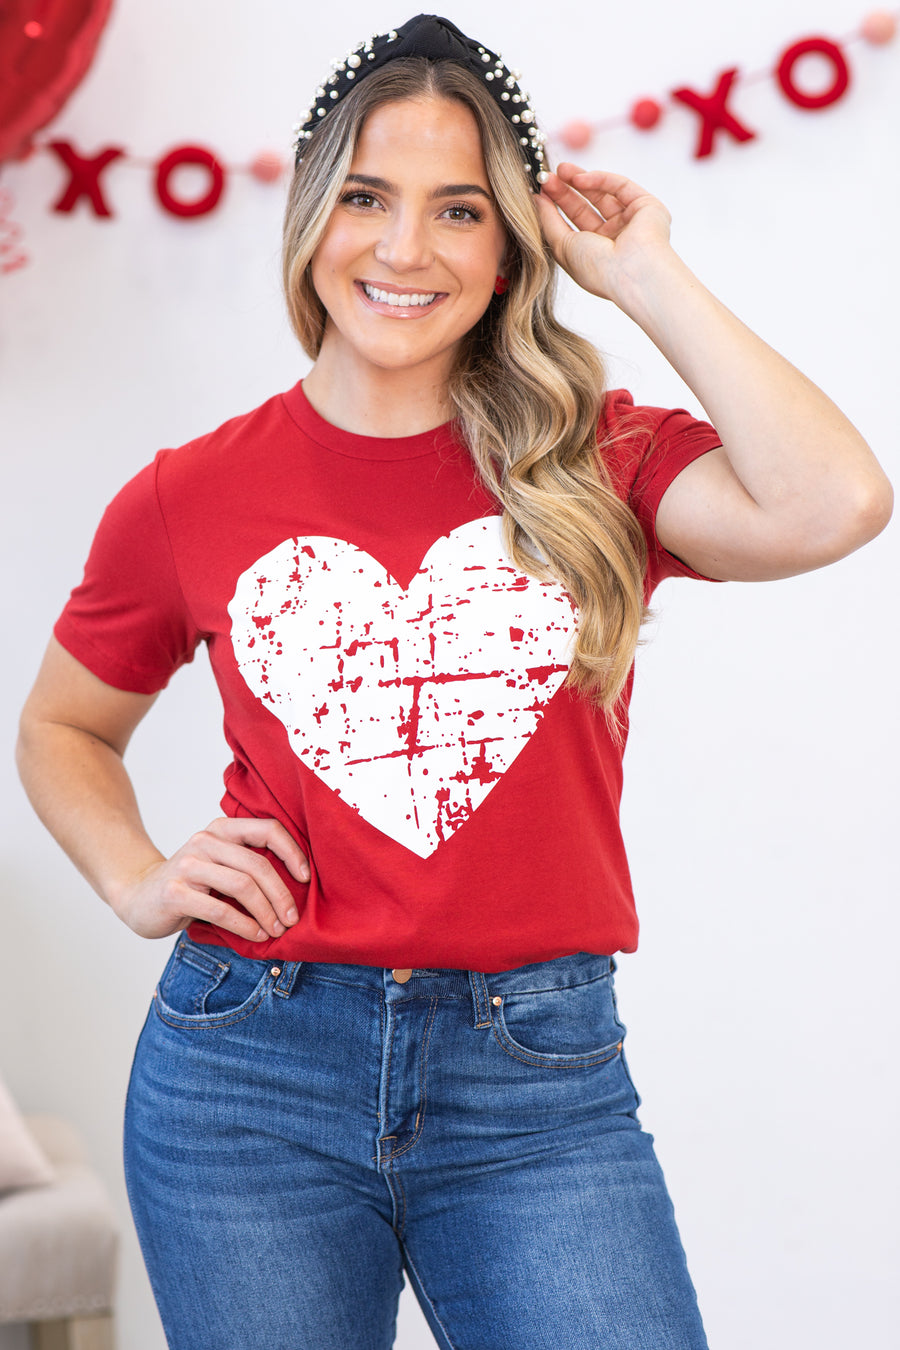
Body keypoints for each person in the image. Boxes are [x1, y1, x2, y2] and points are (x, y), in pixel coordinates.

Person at [15, 14, 892, 1350]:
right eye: (366, 196)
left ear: (508, 252)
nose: (405, 247)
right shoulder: (186, 494)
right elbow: (66, 723)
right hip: (250, 1071)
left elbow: (835, 500)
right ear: (314, 217)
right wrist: (140, 875)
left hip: (538, 1081)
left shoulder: (598, 460)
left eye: (459, 209)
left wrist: (648, 275)